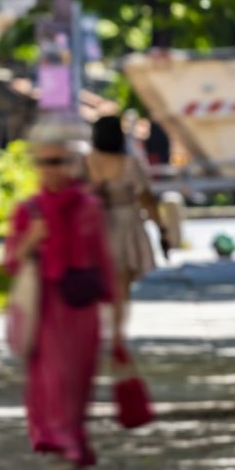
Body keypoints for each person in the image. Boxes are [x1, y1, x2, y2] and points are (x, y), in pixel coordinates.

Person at [2, 131, 120, 470]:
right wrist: (33, 239)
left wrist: (116, 311)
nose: (51, 169)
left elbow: (103, 259)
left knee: (79, 380)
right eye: (43, 162)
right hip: (45, 307)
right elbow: (10, 261)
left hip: (81, 307)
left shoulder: (89, 207)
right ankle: (64, 449)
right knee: (52, 380)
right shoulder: (29, 211)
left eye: (58, 161)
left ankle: (73, 446)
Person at [86, 114, 159, 321]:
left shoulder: (85, 163)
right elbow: (146, 197)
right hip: (126, 224)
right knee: (121, 283)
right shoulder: (130, 163)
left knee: (95, 280)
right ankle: (117, 333)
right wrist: (161, 229)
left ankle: (100, 328)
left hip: (95, 226)